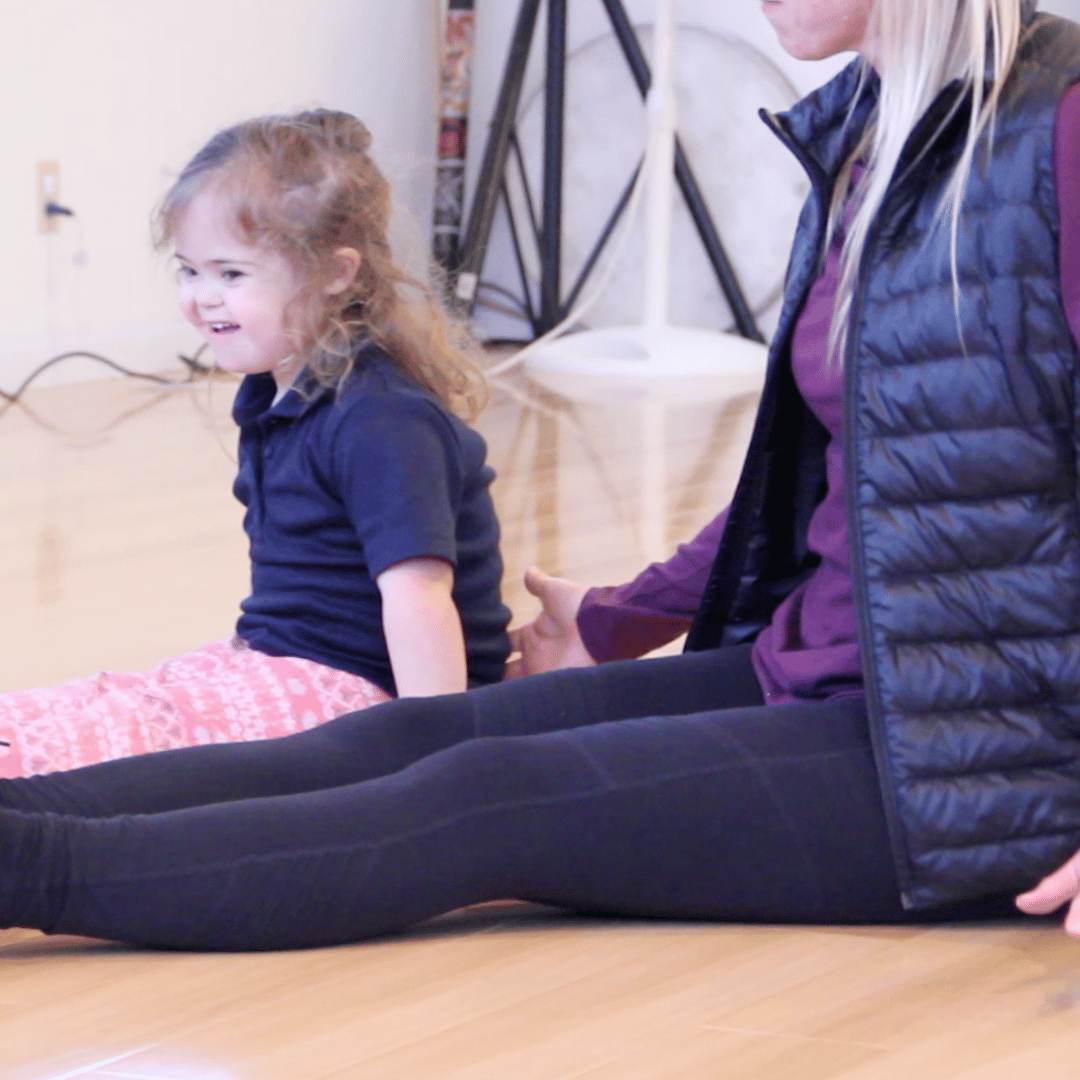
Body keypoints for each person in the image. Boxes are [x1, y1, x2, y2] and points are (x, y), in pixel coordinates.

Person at [3, 0, 1080, 951]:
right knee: (414, 733)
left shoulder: (1060, 124)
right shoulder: (867, 132)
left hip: (971, 760)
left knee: (481, 799)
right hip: (839, 664)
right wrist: (621, 613)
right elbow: (838, 485)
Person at [0, 111, 511, 779]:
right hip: (285, 656)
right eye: (188, 271)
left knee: (113, 747)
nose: (200, 299)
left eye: (230, 275)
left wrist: (433, 764)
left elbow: (419, 599)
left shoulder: (381, 419)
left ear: (334, 272)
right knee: (87, 707)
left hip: (365, 692)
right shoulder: (276, 391)